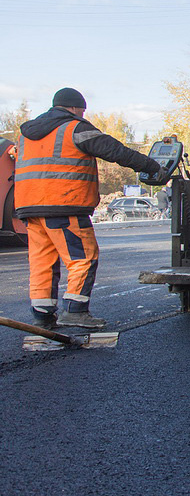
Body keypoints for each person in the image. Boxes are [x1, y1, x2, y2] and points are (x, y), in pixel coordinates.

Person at [13, 88, 163, 330]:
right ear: (73, 108)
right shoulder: (75, 128)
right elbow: (116, 151)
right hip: (63, 206)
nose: (83, 114)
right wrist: (150, 166)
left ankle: (42, 314)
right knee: (83, 258)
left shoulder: (26, 135)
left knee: (42, 262)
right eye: (82, 110)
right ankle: (75, 310)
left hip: (30, 207)